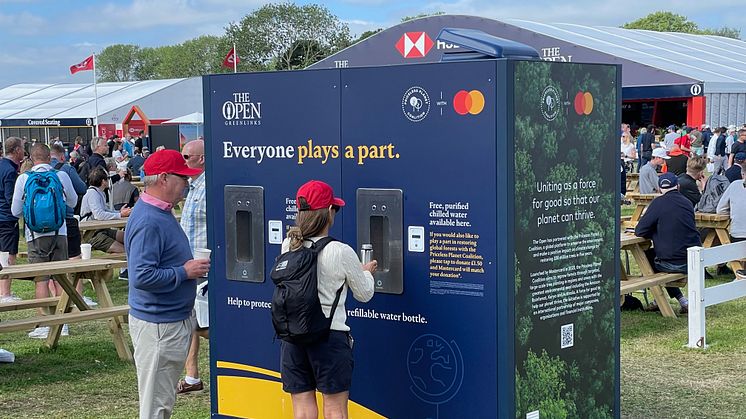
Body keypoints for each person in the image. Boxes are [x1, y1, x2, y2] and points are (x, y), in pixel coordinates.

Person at [280, 180, 376, 419]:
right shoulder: (340, 251)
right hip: (329, 338)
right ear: (329, 213)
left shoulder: (288, 245)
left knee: (302, 410)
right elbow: (364, 294)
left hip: (293, 338)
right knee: (335, 410)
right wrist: (366, 273)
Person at [126, 149, 208, 418]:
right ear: (163, 178)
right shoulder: (150, 219)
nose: (186, 183)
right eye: (182, 178)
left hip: (166, 322)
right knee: (155, 406)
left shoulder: (156, 213)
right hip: (159, 326)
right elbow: (141, 277)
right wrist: (184, 272)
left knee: (161, 401)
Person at [11, 143, 78, 338]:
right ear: (50, 158)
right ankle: (61, 323)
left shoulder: (24, 178)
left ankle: (43, 324)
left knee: (41, 280)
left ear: (31, 159)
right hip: (60, 232)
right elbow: (73, 202)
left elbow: (15, 211)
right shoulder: (61, 176)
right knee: (60, 279)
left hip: (35, 236)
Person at [635, 173, 701, 314]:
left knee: (645, 257)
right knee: (655, 255)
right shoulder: (687, 202)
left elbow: (640, 230)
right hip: (693, 259)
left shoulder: (658, 203)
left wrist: (654, 231)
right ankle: (680, 300)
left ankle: (663, 300)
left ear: (659, 189)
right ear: (677, 186)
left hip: (673, 262)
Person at [177, 140, 208, 394]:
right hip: (189, 264)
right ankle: (192, 377)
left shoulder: (207, 187)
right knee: (190, 319)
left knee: (202, 323)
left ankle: (236, 356)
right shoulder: (193, 187)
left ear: (202, 159)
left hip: (204, 265)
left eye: (186, 156)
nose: (182, 160)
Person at [80, 168, 131, 254]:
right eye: (107, 178)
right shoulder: (92, 193)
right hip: (91, 233)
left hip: (101, 229)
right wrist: (120, 215)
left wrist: (120, 212)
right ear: (103, 181)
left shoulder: (99, 192)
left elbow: (106, 210)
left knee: (129, 237)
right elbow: (99, 215)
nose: (109, 180)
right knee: (124, 251)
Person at [0, 137, 24, 303]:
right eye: (22, 147)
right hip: (7, 219)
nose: (24, 150)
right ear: (16, 150)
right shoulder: (10, 171)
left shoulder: (2, 166)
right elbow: (11, 198)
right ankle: (5, 293)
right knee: (9, 255)